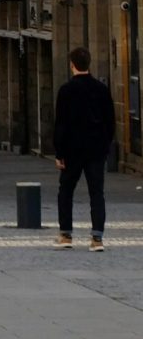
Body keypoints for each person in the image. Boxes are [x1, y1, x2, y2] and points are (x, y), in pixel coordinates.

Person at [53, 46, 115, 252]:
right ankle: (97, 238)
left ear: (72, 65)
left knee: (66, 191)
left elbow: (60, 124)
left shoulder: (66, 90)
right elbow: (110, 121)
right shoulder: (101, 89)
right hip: (96, 149)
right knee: (97, 192)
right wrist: (105, 145)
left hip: (72, 150)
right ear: (89, 64)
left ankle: (66, 234)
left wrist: (59, 153)